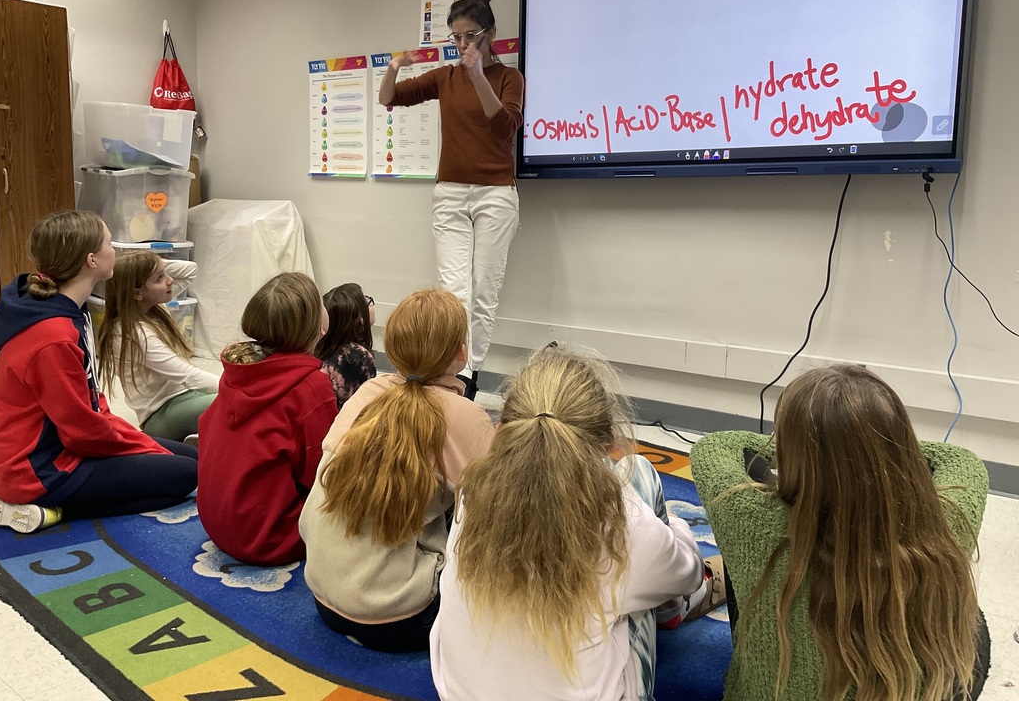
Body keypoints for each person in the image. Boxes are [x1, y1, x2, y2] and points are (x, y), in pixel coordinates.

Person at [430, 344, 721, 701]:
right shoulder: (620, 519)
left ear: (502, 430)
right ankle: (674, 608)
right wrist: (671, 527)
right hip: (648, 553)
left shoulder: (472, 492)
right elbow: (687, 575)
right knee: (641, 475)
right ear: (608, 444)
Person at [690, 364, 990, 701]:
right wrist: (874, 448)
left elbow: (718, 446)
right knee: (974, 621)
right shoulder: (948, 519)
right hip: (913, 684)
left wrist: (801, 440)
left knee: (743, 566)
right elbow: (959, 457)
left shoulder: (747, 520)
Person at [299, 288, 495, 651]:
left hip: (323, 596)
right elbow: (499, 515)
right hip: (399, 615)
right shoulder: (467, 418)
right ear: (462, 353)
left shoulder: (369, 391)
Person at [0, 210, 198, 533]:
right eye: (108, 244)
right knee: (186, 475)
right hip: (39, 469)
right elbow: (81, 431)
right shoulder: (53, 335)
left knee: (189, 457)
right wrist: (142, 446)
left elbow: (92, 402)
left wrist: (138, 442)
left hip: (66, 447)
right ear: (91, 260)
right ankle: (52, 509)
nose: (114, 250)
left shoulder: (73, 310)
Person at [378, 0, 524, 400]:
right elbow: (390, 98)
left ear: (489, 34)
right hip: (451, 193)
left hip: (496, 193)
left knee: (484, 292)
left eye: (469, 36)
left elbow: (504, 129)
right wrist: (393, 67)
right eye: (455, 37)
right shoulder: (445, 76)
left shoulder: (509, 77)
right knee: (453, 292)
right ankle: (449, 372)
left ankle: (470, 378)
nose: (462, 44)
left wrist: (479, 76)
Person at [198, 272, 337, 565]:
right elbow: (323, 473)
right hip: (271, 538)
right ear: (313, 325)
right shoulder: (311, 384)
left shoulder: (237, 369)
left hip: (216, 524)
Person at [96, 251, 219, 441]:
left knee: (236, 401)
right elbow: (188, 375)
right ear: (137, 293)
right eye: (159, 278)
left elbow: (190, 271)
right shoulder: (134, 334)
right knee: (234, 401)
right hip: (161, 414)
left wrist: (151, 264)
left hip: (184, 397)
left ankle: (200, 437)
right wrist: (235, 385)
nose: (170, 281)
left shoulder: (153, 306)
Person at [315, 282, 376, 407]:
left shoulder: (325, 349)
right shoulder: (358, 356)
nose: (370, 303)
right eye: (366, 301)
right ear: (359, 319)